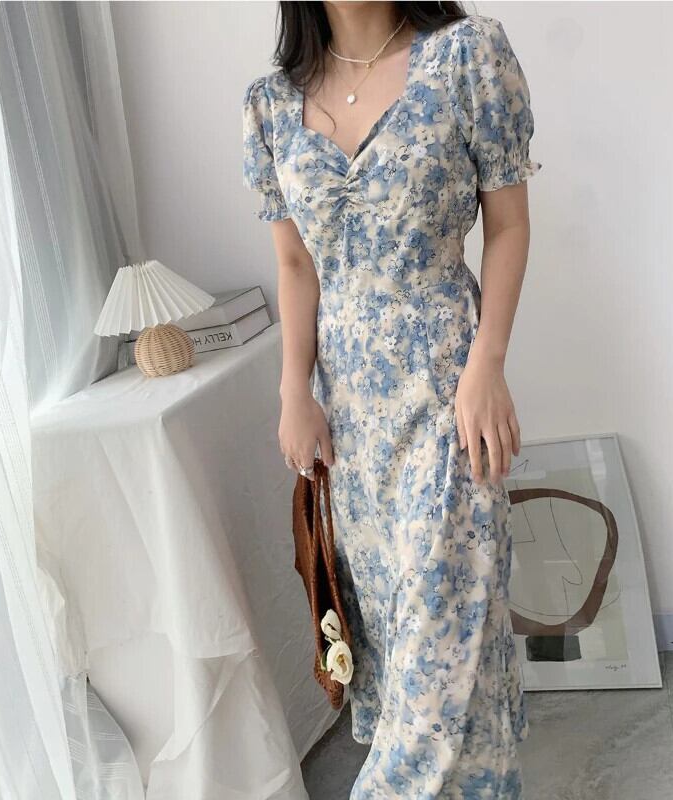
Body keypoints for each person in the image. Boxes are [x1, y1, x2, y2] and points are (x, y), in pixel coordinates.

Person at [242, 2, 541, 796]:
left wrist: (488, 363)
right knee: (398, 643)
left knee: (443, 637)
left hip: (447, 392)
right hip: (350, 423)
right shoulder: (271, 105)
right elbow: (296, 265)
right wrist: (293, 390)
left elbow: (509, 225)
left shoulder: (466, 57)